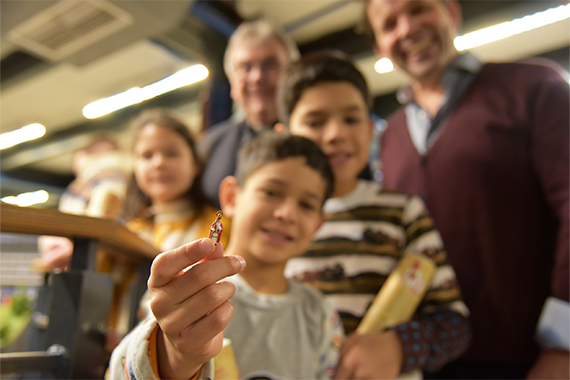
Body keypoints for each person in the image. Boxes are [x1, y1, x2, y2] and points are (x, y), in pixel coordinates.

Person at [365, 0, 569, 378]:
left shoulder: (534, 87)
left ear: (452, 13)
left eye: (419, 9)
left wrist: (565, 344)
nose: (406, 29)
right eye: (389, 24)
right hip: (425, 358)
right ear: (379, 47)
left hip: (530, 360)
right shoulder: (390, 135)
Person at [277, 50, 470, 379]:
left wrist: (399, 346)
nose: (336, 133)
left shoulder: (403, 211)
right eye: (315, 122)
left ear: (370, 131)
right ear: (284, 137)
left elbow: (453, 322)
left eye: (351, 119)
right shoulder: (274, 220)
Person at [107, 133, 345, 380]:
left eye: (306, 205)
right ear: (231, 196)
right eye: (272, 193)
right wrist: (176, 357)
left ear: (318, 225)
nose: (286, 213)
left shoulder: (319, 315)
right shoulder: (186, 291)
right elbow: (122, 368)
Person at [200, 19, 299, 208]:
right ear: (232, 82)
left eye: (270, 65)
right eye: (245, 67)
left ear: (291, 73)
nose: (257, 77)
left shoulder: (312, 140)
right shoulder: (208, 146)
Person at [38, 134, 131, 271]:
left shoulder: (104, 180)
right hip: (91, 257)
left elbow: (100, 225)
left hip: (95, 258)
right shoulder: (85, 184)